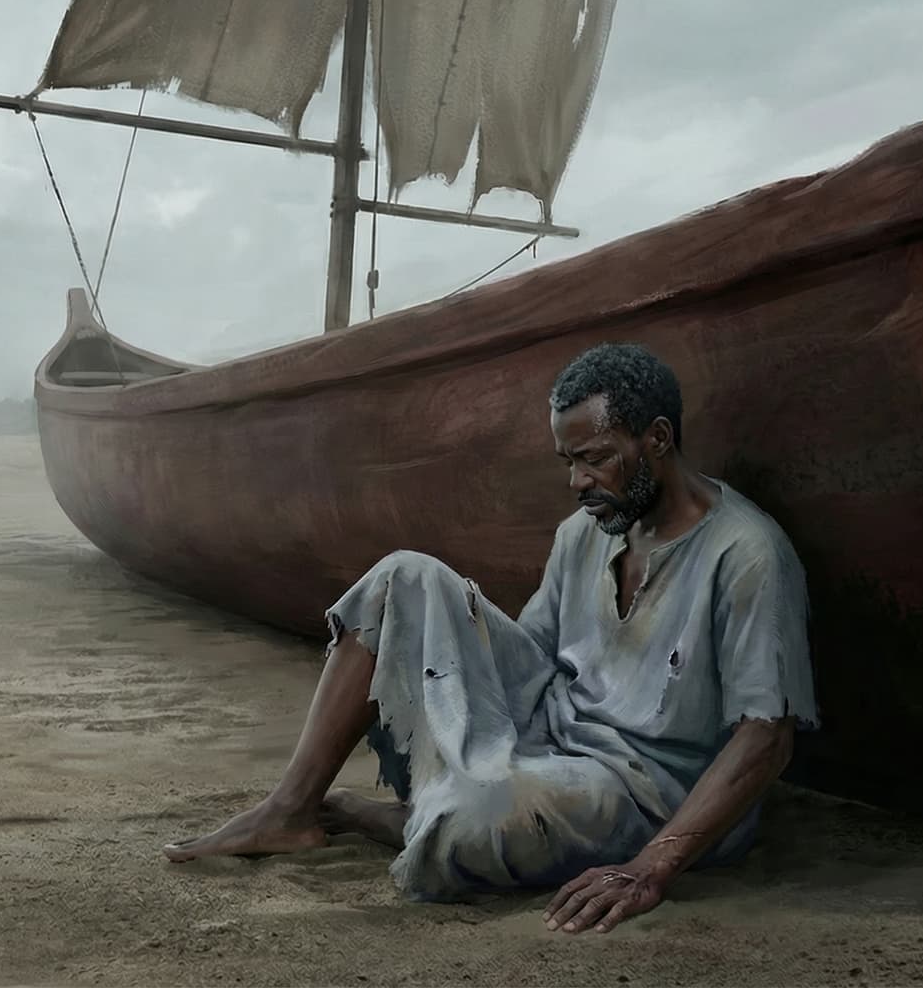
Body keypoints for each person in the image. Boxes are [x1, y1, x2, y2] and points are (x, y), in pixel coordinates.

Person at [162, 342, 819, 935]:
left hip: (645, 791)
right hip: (556, 727)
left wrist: (650, 868)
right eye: (568, 462)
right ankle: (290, 808)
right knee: (401, 577)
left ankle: (382, 814)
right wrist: (439, 638)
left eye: (593, 460)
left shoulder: (748, 553)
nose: (576, 483)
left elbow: (766, 739)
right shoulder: (584, 532)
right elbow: (527, 654)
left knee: (467, 826)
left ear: (657, 438)